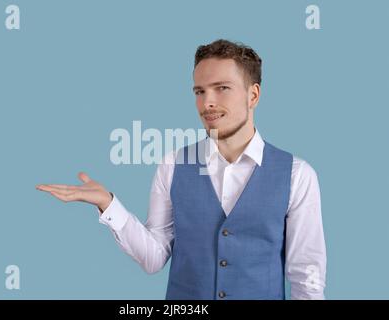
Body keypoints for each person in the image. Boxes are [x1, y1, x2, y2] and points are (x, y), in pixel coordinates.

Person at [36, 39, 326, 300]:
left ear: (253, 95)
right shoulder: (173, 166)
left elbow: (307, 279)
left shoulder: (297, 175)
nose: (207, 102)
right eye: (199, 91)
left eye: (222, 88)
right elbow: (153, 258)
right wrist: (108, 204)